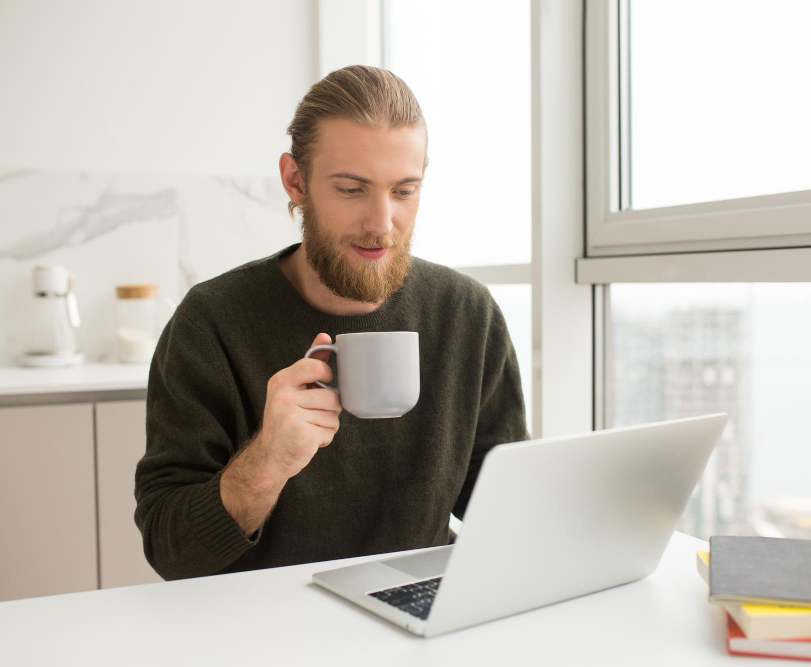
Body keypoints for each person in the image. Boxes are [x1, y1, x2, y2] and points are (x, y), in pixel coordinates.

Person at [135, 65, 527, 580]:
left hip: (418, 604)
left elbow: (508, 510)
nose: (381, 223)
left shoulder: (468, 314)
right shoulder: (211, 322)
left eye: (404, 191)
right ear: (295, 181)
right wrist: (268, 461)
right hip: (268, 617)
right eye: (351, 189)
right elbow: (171, 552)